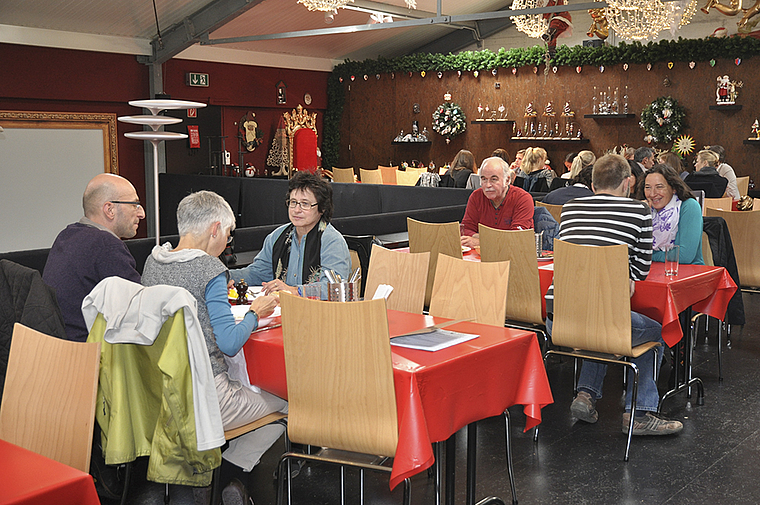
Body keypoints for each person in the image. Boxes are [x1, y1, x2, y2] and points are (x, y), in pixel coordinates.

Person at [141, 190, 288, 500]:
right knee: (291, 401)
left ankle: (222, 476)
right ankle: (229, 477)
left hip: (160, 391)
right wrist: (255, 312)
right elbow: (230, 342)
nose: (227, 241)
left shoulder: (154, 262)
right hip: (206, 398)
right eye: (228, 233)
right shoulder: (210, 270)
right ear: (215, 229)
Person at [546, 154, 682, 436]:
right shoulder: (638, 212)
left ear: (593, 184)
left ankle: (585, 395)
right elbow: (642, 270)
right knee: (655, 331)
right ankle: (641, 414)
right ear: (627, 183)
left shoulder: (570, 208)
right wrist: (626, 274)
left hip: (558, 320)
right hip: (602, 319)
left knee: (602, 322)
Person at [43, 173, 145, 342]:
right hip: (85, 355)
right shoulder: (106, 245)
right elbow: (139, 310)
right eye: (135, 205)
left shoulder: (67, 234)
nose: (141, 214)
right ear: (110, 209)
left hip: (55, 348)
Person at [233, 172, 350, 299]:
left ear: (322, 208)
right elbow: (257, 274)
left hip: (319, 314)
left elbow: (334, 288)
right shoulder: (276, 237)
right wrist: (223, 277)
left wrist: (294, 291)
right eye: (293, 202)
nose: (296, 210)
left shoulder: (332, 241)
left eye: (305, 204)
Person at [460, 156, 534, 248]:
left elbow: (515, 238)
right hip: (481, 257)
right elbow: (465, 229)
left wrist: (481, 241)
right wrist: (496, 239)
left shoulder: (522, 198)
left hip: (515, 257)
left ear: (507, 180)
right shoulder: (476, 196)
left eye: (494, 179)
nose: (488, 185)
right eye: (484, 179)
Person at [638, 164, 704, 265]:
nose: (652, 194)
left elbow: (683, 256)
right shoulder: (645, 209)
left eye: (659, 187)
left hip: (687, 273)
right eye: (648, 187)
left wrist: (647, 256)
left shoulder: (689, 206)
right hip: (650, 272)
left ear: (673, 188)